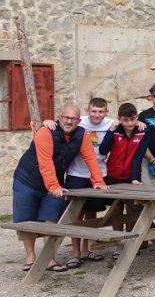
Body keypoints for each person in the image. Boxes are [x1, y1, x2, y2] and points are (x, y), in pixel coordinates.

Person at [13, 104, 107, 273]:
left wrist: (98, 181)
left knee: (52, 216)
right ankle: (31, 257)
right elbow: (45, 162)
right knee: (26, 217)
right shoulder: (45, 131)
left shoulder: (81, 135)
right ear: (60, 117)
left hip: (54, 182)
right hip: (28, 179)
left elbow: (90, 158)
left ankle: (49, 258)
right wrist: (53, 186)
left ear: (79, 121)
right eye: (66, 117)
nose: (69, 121)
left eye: (73, 119)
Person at [55, 97, 113, 268]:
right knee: (76, 213)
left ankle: (87, 249)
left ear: (106, 112)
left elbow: (130, 121)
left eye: (101, 111)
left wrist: (140, 124)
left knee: (91, 212)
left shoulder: (111, 123)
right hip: (76, 173)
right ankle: (75, 253)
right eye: (93, 111)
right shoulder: (78, 122)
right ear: (87, 111)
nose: (97, 114)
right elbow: (60, 122)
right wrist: (47, 121)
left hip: (99, 175)